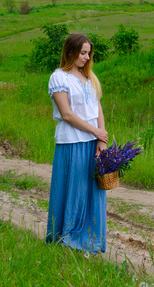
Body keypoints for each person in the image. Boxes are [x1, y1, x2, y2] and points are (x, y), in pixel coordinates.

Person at [45, 32, 109, 253]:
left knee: (93, 191)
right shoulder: (59, 78)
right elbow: (67, 114)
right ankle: (68, 238)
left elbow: (97, 108)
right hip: (72, 142)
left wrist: (101, 138)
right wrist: (96, 132)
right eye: (82, 53)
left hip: (93, 142)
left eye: (88, 53)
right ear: (70, 51)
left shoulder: (89, 77)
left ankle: (91, 239)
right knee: (74, 190)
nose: (86, 57)